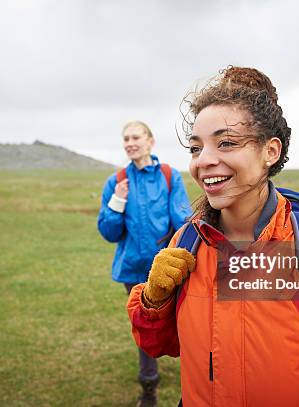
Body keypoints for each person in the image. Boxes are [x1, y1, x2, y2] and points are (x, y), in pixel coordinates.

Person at [127, 67, 299, 406]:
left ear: (270, 151)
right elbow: (161, 344)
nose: (204, 161)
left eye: (226, 143)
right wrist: (155, 301)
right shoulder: (187, 242)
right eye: (196, 148)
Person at [98, 120, 192, 407]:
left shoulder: (168, 176)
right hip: (134, 271)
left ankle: (198, 380)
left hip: (169, 270)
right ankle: (148, 388)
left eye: (136, 137)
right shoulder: (116, 182)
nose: (130, 142)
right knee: (146, 326)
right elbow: (109, 232)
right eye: (125, 138)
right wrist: (117, 202)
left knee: (187, 323)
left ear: (150, 141)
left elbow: (181, 221)